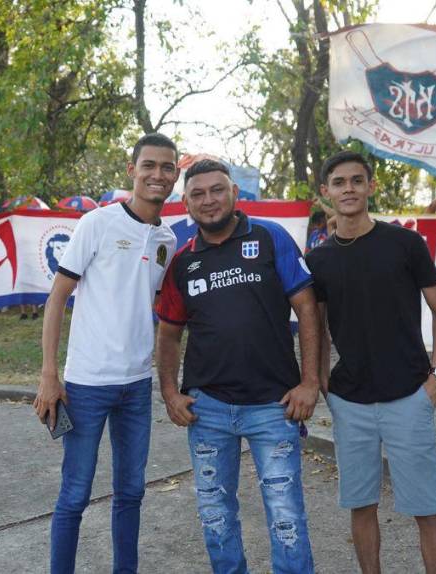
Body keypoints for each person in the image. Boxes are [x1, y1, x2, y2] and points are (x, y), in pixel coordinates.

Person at [156, 159, 320, 573]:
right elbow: (169, 333)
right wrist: (170, 393)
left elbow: (307, 310)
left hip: (273, 405)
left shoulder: (270, 237)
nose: (208, 200)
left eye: (216, 190)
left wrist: (310, 382)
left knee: (286, 518)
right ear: (186, 204)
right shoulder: (181, 262)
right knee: (215, 515)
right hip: (207, 410)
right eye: (198, 194)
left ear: (234, 193)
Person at [34, 132, 179, 574]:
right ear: (131, 171)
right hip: (87, 384)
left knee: (131, 492)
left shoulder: (166, 240)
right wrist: (48, 375)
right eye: (149, 165)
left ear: (175, 176)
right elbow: (57, 297)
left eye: (167, 167)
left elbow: (153, 308)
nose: (157, 174)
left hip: (136, 385)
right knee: (74, 495)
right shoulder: (96, 223)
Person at [306, 151, 436, 574]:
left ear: (371, 187)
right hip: (349, 401)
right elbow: (315, 327)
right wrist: (319, 380)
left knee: (427, 509)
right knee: (360, 505)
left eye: (356, 180)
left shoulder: (405, 244)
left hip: (410, 395)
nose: (348, 188)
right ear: (325, 193)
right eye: (339, 182)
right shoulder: (318, 261)